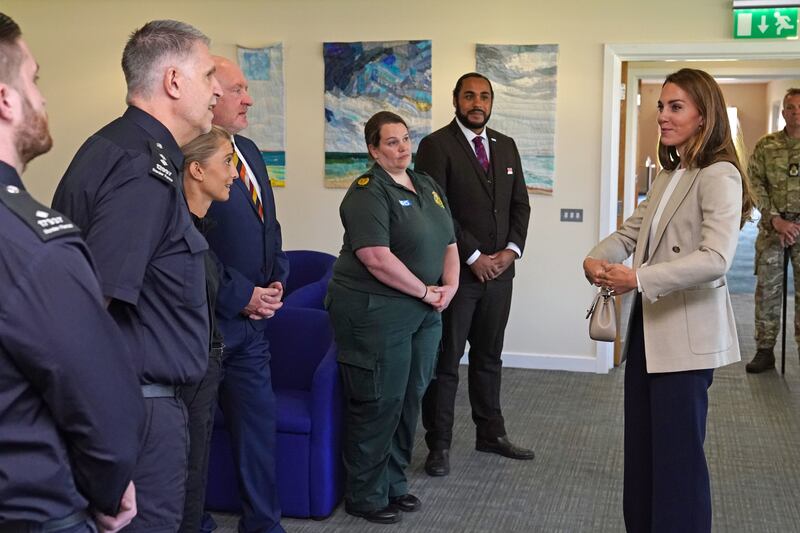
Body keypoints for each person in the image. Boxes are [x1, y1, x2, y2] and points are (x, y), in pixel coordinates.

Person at [51, 20, 221, 533]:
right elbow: (93, 307)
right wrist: (103, 446)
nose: (217, 89)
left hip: (131, 409)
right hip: (137, 415)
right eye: (209, 74)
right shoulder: (142, 169)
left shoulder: (120, 147)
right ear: (173, 82)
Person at [583, 68, 754, 533]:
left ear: (704, 116)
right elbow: (627, 233)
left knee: (678, 462)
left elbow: (715, 258)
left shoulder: (719, 174)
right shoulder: (671, 173)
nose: (663, 115)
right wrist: (595, 260)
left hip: (685, 337)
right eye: (661, 106)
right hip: (647, 332)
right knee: (642, 452)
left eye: (676, 106)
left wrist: (636, 277)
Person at [0, 12, 144, 533]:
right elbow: (100, 401)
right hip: (31, 509)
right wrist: (109, 490)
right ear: (5, 99)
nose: (41, 97)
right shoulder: (33, 244)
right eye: (33, 80)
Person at [326, 111, 459, 524]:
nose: (402, 148)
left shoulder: (426, 184)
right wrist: (424, 290)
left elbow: (449, 241)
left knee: (410, 396)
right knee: (379, 400)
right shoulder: (367, 191)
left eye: (405, 139)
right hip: (376, 312)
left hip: (424, 311)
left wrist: (449, 287)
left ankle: (394, 483)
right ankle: (366, 494)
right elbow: (376, 258)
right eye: (391, 142)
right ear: (372, 149)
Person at [415, 72, 533, 477]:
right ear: (455, 100)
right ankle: (439, 445)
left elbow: (520, 206)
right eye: (469, 96)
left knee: (489, 357)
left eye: (484, 96)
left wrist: (510, 252)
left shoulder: (506, 145)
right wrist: (475, 256)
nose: (477, 103)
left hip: (501, 275)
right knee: (446, 361)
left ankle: (490, 433)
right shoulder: (435, 146)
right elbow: (437, 208)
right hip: (458, 277)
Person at [206, 55, 289, 533]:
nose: (249, 99)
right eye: (238, 89)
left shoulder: (250, 151)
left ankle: (263, 525)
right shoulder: (186, 159)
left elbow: (268, 225)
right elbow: (191, 247)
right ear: (211, 96)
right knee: (194, 440)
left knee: (259, 432)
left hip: (254, 328)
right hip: (210, 323)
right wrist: (242, 294)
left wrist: (278, 275)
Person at [178, 126, 236, 533]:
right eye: (227, 162)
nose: (234, 172)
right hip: (182, 373)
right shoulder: (173, 231)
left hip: (205, 366)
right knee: (180, 473)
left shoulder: (200, 227)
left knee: (196, 469)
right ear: (197, 170)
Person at [746, 88, 800, 373]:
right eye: (791, 108)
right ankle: (765, 350)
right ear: (783, 112)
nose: (796, 113)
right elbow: (754, 184)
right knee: (767, 291)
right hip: (772, 230)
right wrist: (775, 220)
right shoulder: (766, 146)